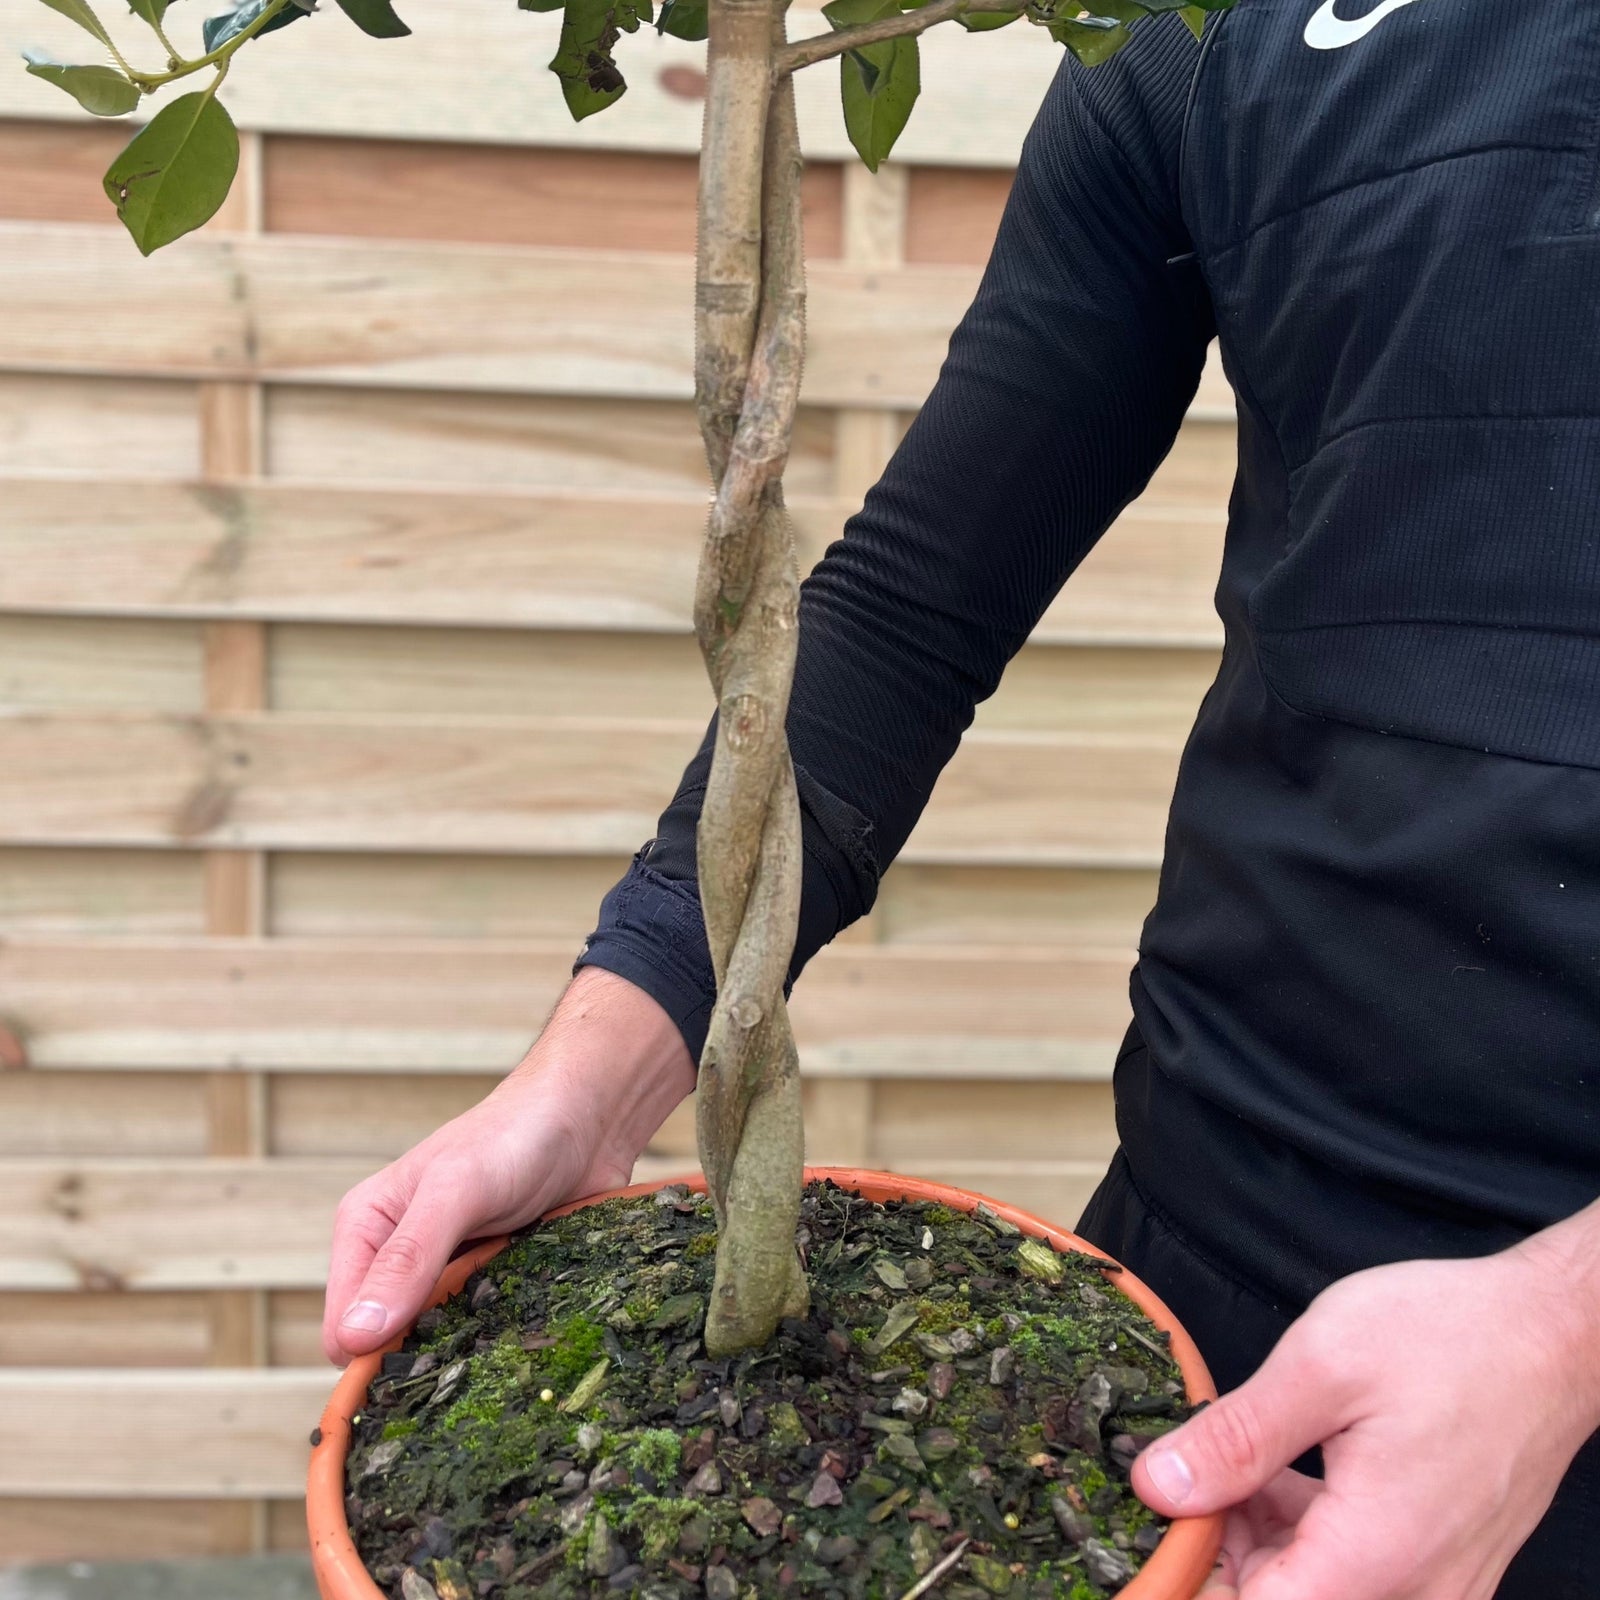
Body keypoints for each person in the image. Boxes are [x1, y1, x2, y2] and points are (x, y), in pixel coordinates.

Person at [321, 2, 1600, 1594]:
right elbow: (913, 612)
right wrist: (585, 1080)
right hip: (1208, 1244)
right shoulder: (1205, 32)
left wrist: (1564, 1320)